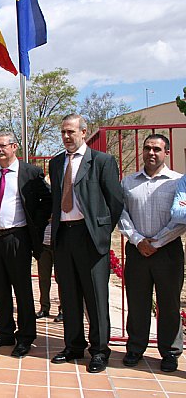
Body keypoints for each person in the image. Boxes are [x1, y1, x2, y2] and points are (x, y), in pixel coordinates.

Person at [49, 114, 124, 373]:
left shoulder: (102, 161)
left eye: (71, 132)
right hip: (65, 236)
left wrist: (101, 232)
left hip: (91, 237)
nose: (67, 137)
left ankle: (100, 350)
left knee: (95, 297)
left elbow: (115, 201)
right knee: (69, 296)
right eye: (63, 132)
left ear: (83, 132)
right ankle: (73, 345)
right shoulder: (56, 163)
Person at [0, 131, 51, 357]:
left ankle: (26, 336)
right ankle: (5, 333)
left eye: (3, 146)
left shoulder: (30, 172)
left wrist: (35, 224)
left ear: (14, 147)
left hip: (18, 238)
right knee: (0, 290)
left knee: (22, 289)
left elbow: (47, 200)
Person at [118, 134, 185, 373]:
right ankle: (135, 348)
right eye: (147, 148)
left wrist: (157, 243)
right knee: (137, 302)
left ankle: (169, 352)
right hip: (137, 251)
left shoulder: (178, 182)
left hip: (167, 251)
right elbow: (121, 214)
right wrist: (138, 241)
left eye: (157, 148)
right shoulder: (128, 182)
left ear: (166, 152)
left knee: (168, 303)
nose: (151, 153)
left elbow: (182, 219)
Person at [36, 221, 63, 322]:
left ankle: (63, 309)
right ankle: (44, 307)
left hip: (59, 245)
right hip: (44, 245)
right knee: (43, 278)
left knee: (61, 279)